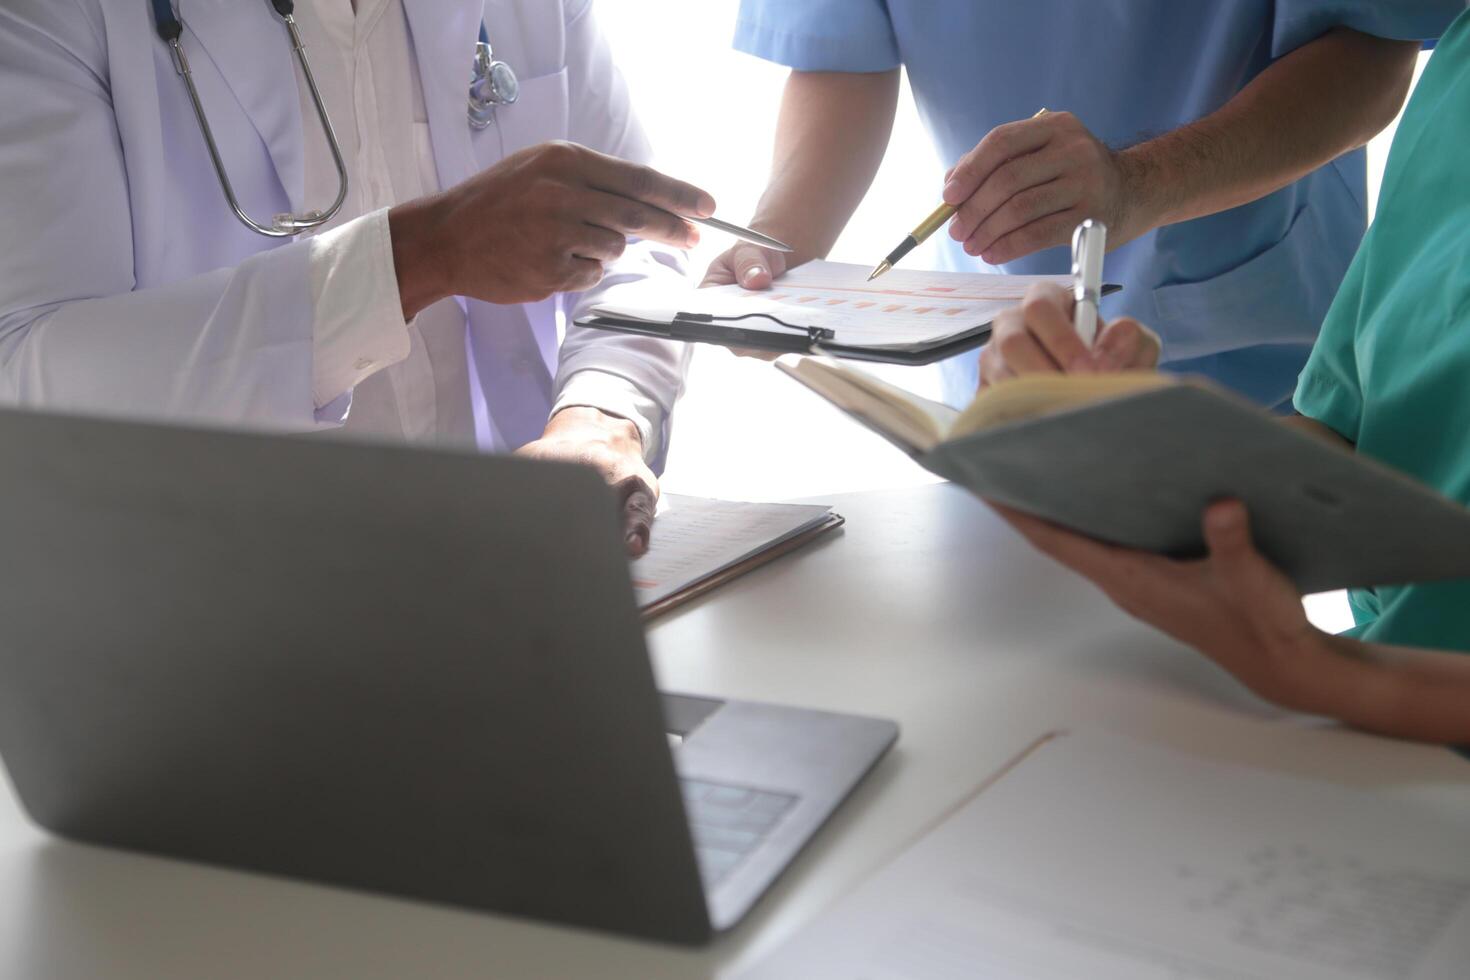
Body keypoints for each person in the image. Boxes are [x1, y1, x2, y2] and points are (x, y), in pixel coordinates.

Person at [0, 0, 711, 554]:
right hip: (213, 605)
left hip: (508, 579)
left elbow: (640, 245)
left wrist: (599, 415)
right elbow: (29, 366)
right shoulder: (50, 16)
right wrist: (420, 256)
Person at [974, 9, 1470, 747]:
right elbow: (1347, 439)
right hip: (1370, 733)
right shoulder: (1458, 78)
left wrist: (1326, 673)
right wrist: (1132, 458)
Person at [709, 1, 1460, 410]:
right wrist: (780, 244)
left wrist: (1141, 182)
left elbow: (1371, 51)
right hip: (996, 354)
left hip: (1247, 358)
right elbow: (843, 53)